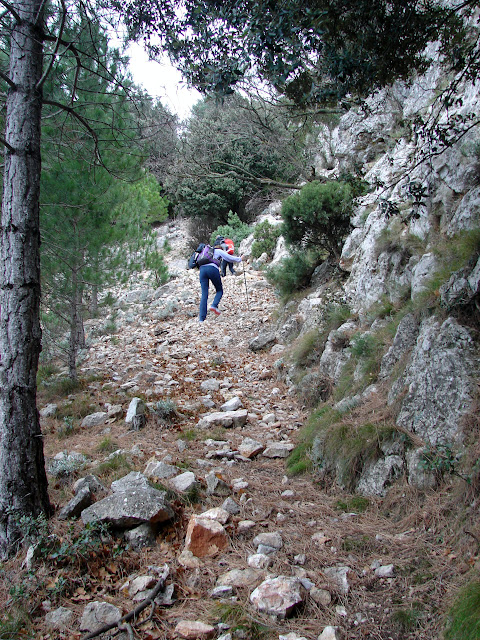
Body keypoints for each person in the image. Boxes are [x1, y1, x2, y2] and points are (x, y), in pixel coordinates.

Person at [198, 239, 243, 322]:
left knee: (204, 294)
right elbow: (229, 258)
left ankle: (201, 319)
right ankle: (214, 305)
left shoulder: (205, 251)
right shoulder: (218, 251)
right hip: (212, 269)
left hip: (202, 270)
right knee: (219, 290)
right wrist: (240, 259)